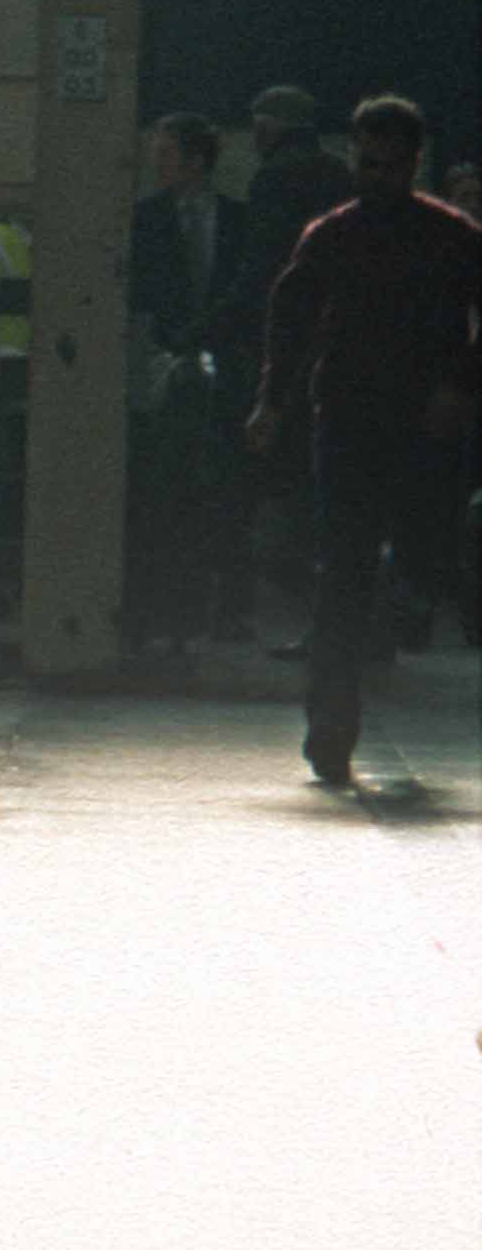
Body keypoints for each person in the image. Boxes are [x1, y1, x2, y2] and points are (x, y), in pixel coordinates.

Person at [246, 93, 482, 786]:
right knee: (345, 569)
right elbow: (288, 320)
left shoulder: (439, 237)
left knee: (398, 557)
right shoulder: (352, 234)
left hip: (410, 419)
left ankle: (341, 706)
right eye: (368, 159)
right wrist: (271, 400)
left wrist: (461, 385)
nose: (377, 172)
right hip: (358, 419)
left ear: (412, 162)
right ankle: (331, 726)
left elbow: (289, 317)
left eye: (389, 161)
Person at [127, 115, 262, 650]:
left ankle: (222, 607)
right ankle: (177, 607)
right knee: (172, 486)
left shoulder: (235, 218)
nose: (158, 164)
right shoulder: (147, 219)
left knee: (227, 488)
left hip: (224, 363)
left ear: (196, 160)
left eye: (166, 154)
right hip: (170, 362)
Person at [239, 83, 350, 252]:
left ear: (268, 127)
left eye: (258, 128)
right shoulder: (338, 169)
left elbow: (265, 248)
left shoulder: (273, 175)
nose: (254, 139)